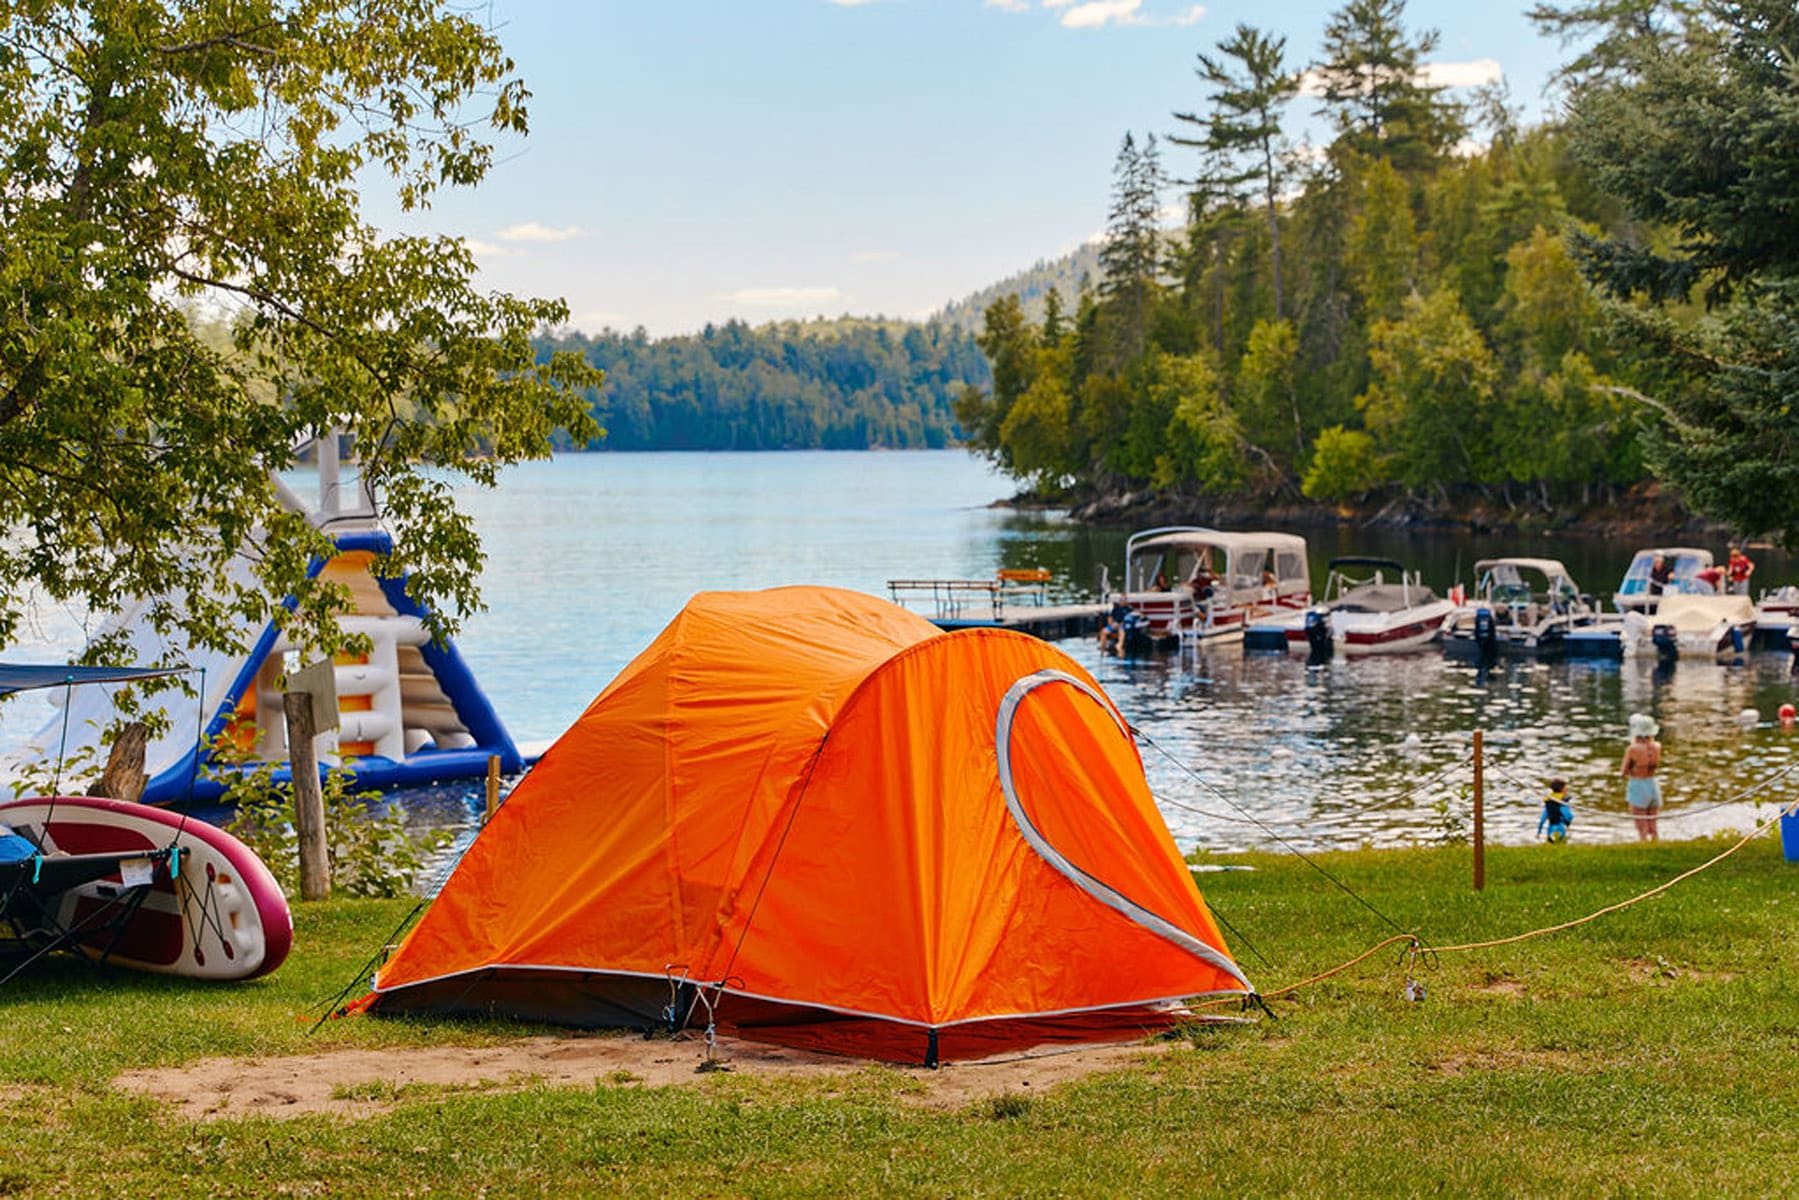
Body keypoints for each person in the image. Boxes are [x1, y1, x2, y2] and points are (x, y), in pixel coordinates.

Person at [1620, 712, 1663, 841]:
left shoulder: (1632, 749)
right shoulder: (1657, 747)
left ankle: (1643, 845)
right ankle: (1656, 844)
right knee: (1653, 825)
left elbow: (1623, 771)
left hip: (1638, 784)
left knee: (1641, 827)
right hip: (1653, 784)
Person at [1538, 777, 1574, 844]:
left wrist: (1539, 831)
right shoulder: (1562, 802)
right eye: (1566, 788)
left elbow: (1543, 819)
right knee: (1560, 843)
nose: (1567, 790)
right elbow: (1569, 815)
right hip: (1560, 827)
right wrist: (1567, 822)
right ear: (1562, 790)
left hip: (1550, 828)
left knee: (1551, 843)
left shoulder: (1549, 802)